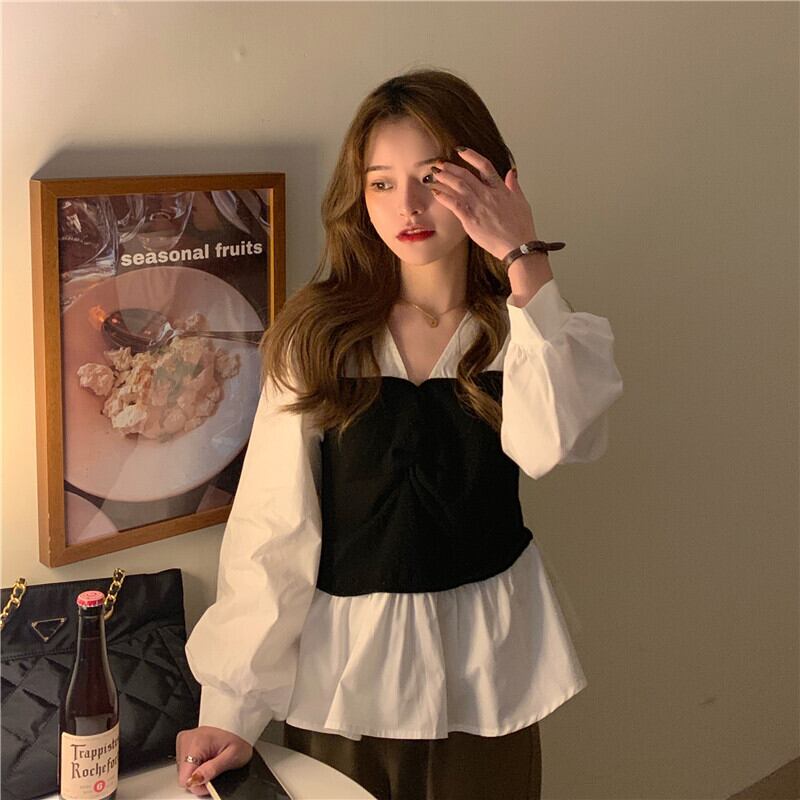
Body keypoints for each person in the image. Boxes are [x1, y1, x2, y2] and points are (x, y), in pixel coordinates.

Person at [175, 67, 624, 800]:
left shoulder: (524, 329)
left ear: (485, 180)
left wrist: (524, 256)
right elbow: (273, 527)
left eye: (431, 179)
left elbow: (556, 443)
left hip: (489, 675)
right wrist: (231, 709)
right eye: (381, 183)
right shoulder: (321, 335)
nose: (406, 207)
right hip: (346, 680)